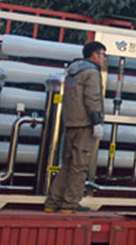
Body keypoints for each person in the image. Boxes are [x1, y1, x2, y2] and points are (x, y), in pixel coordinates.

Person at [44, 41, 106, 213]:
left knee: (68, 164)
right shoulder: (91, 72)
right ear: (94, 55)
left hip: (71, 122)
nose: (104, 59)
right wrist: (96, 120)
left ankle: (52, 202)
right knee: (80, 165)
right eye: (103, 55)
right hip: (85, 124)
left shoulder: (73, 72)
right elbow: (92, 97)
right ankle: (70, 203)